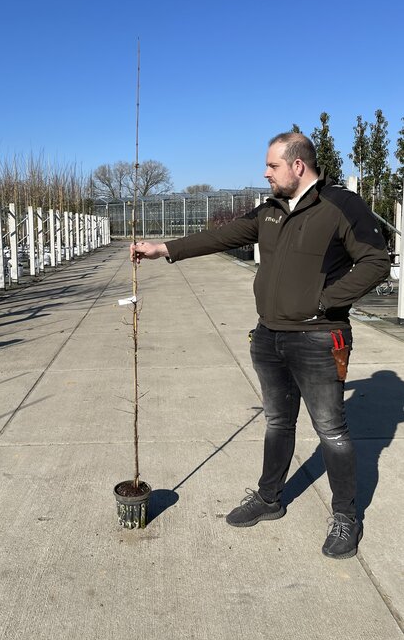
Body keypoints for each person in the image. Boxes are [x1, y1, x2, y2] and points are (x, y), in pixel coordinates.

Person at [130, 132, 390, 559]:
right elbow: (225, 235)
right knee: (277, 422)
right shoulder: (270, 211)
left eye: (272, 166)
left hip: (320, 338)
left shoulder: (340, 205)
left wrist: (324, 301)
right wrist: (164, 249)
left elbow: (377, 261)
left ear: (298, 166)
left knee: (332, 430)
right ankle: (270, 498)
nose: (265, 172)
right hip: (269, 337)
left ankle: (345, 516)